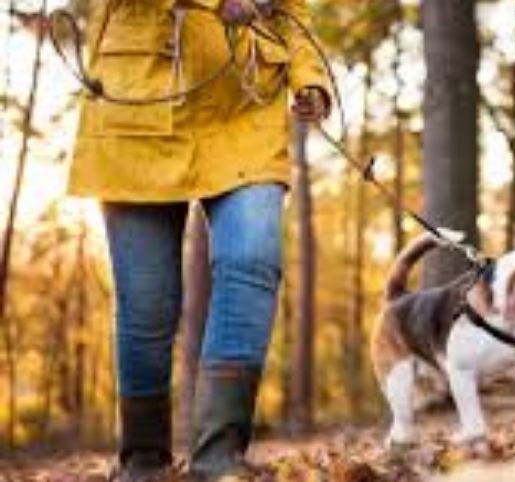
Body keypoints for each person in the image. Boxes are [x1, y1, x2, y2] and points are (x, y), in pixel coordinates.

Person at [67, 0, 330, 480]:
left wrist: (310, 76)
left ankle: (219, 456)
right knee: (147, 300)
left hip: (243, 106)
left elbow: (292, 9)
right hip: (136, 108)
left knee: (253, 260)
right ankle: (143, 461)